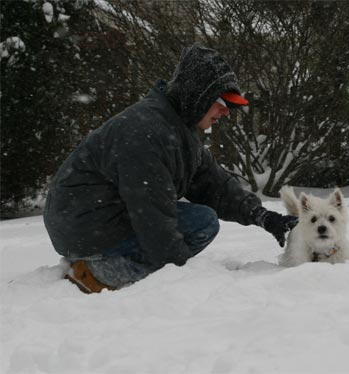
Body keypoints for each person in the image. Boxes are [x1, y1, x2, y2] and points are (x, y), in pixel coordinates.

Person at [44, 43, 297, 294]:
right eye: (223, 101)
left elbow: (214, 184)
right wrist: (182, 277)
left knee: (200, 221)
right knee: (200, 224)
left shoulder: (177, 129)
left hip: (102, 220)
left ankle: (103, 261)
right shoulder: (145, 133)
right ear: (199, 95)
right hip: (84, 226)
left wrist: (263, 216)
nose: (226, 112)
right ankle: (96, 273)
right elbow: (152, 217)